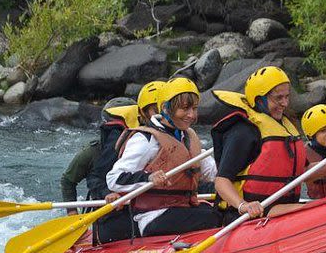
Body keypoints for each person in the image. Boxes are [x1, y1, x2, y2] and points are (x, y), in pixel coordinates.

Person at [211, 66, 326, 224]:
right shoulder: (244, 131)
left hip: (282, 207)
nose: (284, 103)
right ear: (259, 99)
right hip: (250, 214)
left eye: (287, 96)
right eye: (278, 98)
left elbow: (304, 173)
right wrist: (243, 206)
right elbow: (221, 181)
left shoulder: (285, 127)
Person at [106, 77, 221, 237]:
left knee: (223, 209)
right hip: (154, 215)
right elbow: (114, 178)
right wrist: (148, 178)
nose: (191, 115)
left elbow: (213, 172)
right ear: (166, 108)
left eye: (194, 108)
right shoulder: (145, 139)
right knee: (214, 217)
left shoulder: (188, 137)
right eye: (185, 109)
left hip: (184, 208)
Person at [60, 98, 138, 217]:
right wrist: (72, 213)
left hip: (137, 208)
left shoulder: (145, 147)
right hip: (105, 212)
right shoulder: (92, 152)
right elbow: (68, 181)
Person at [85, 97, 140, 244]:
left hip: (141, 208)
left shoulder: (151, 141)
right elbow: (69, 181)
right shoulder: (94, 151)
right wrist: (107, 193)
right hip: (112, 214)